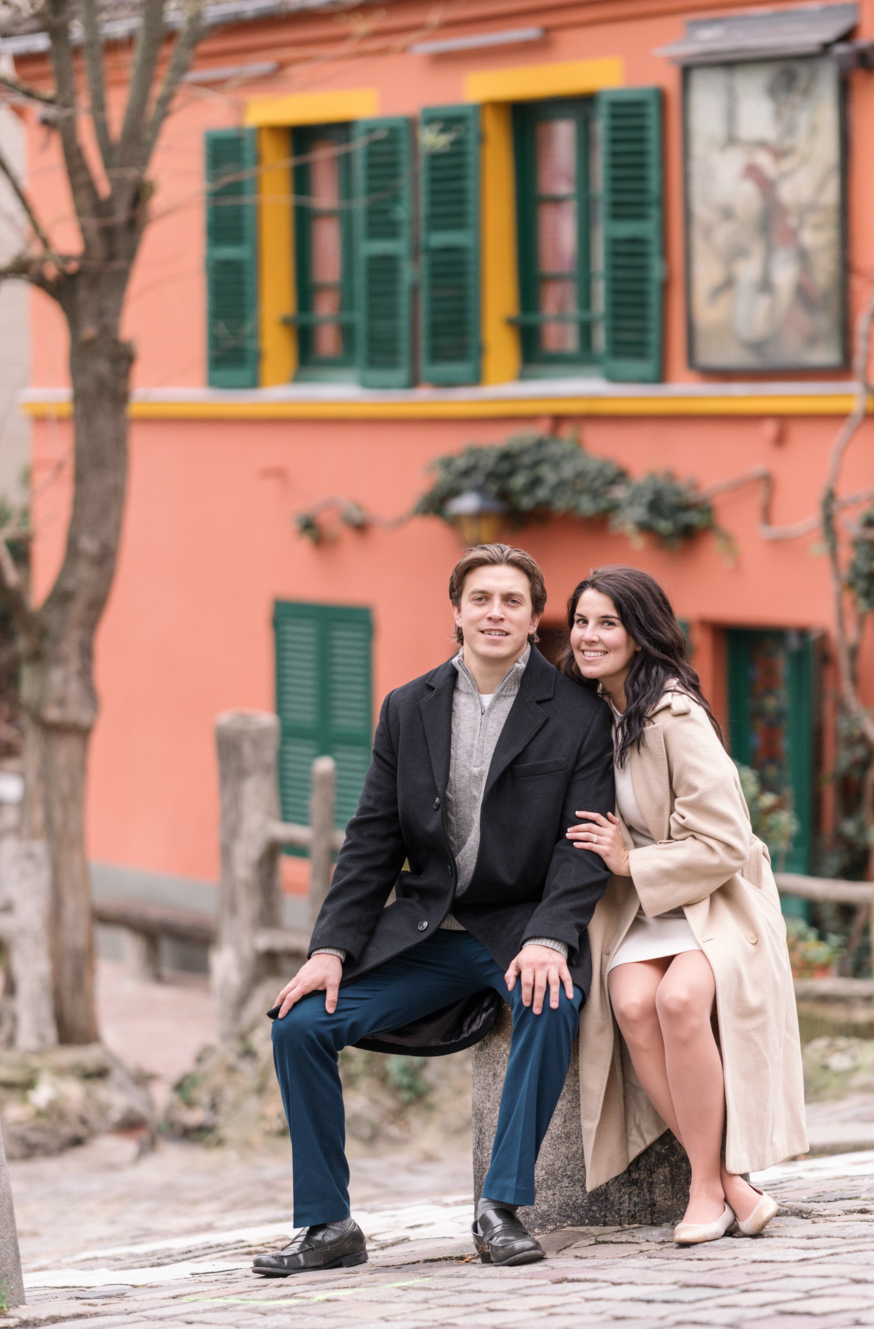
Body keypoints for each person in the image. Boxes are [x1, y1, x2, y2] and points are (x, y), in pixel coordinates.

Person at [253, 544, 614, 1277]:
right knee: (298, 1027)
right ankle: (327, 1225)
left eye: (512, 601)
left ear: (533, 617)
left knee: (552, 1004)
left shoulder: (578, 715)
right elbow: (371, 843)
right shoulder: (406, 708)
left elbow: (582, 847)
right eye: (480, 598)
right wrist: (329, 948)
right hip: (429, 932)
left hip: (519, 930)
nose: (494, 613)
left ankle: (500, 1207)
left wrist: (550, 937)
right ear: (455, 610)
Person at [563, 566, 806, 1245]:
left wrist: (629, 861)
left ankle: (705, 1183)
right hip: (638, 909)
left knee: (677, 1003)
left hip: (712, 900)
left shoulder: (673, 714)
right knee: (633, 1005)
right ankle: (733, 1186)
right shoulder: (588, 711)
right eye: (580, 621)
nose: (589, 636)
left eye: (606, 622)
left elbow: (726, 841)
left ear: (639, 634)